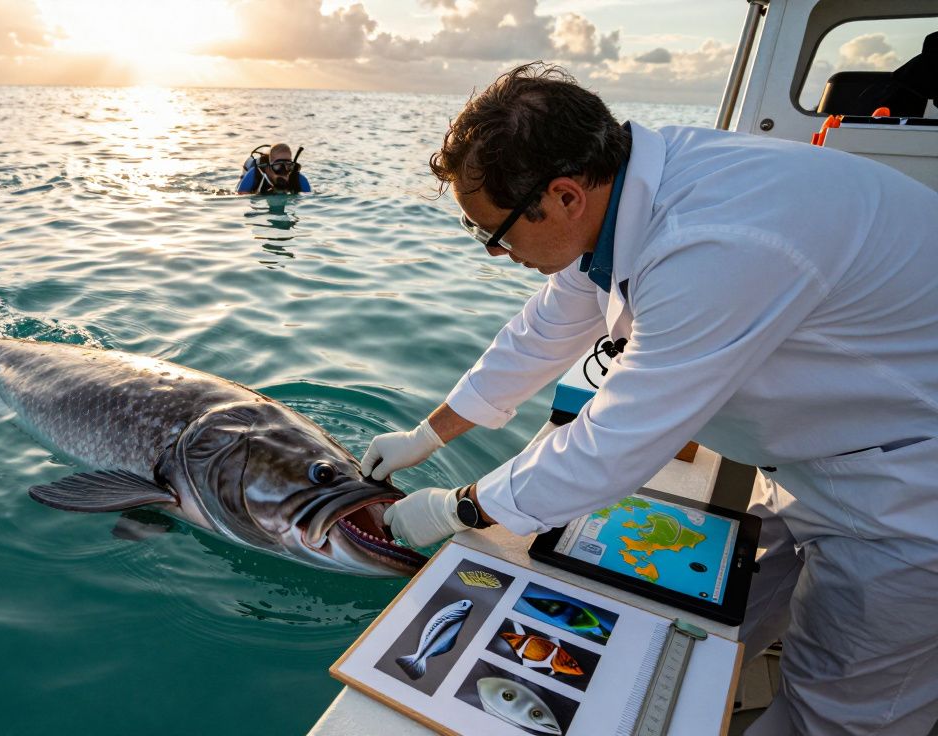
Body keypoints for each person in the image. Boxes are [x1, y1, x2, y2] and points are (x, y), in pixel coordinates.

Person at [363, 63, 938, 735]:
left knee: (837, 716)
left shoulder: (715, 242)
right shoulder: (631, 186)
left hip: (906, 490)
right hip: (817, 456)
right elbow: (540, 334)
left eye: (497, 233)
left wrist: (457, 509)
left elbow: (614, 445)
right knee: (711, 631)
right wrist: (426, 436)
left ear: (564, 196)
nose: (496, 252)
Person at [236, 143, 311, 194]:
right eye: (278, 165)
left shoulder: (299, 179)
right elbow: (240, 197)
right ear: (268, 166)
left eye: (288, 165)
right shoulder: (254, 174)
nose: (283, 171)